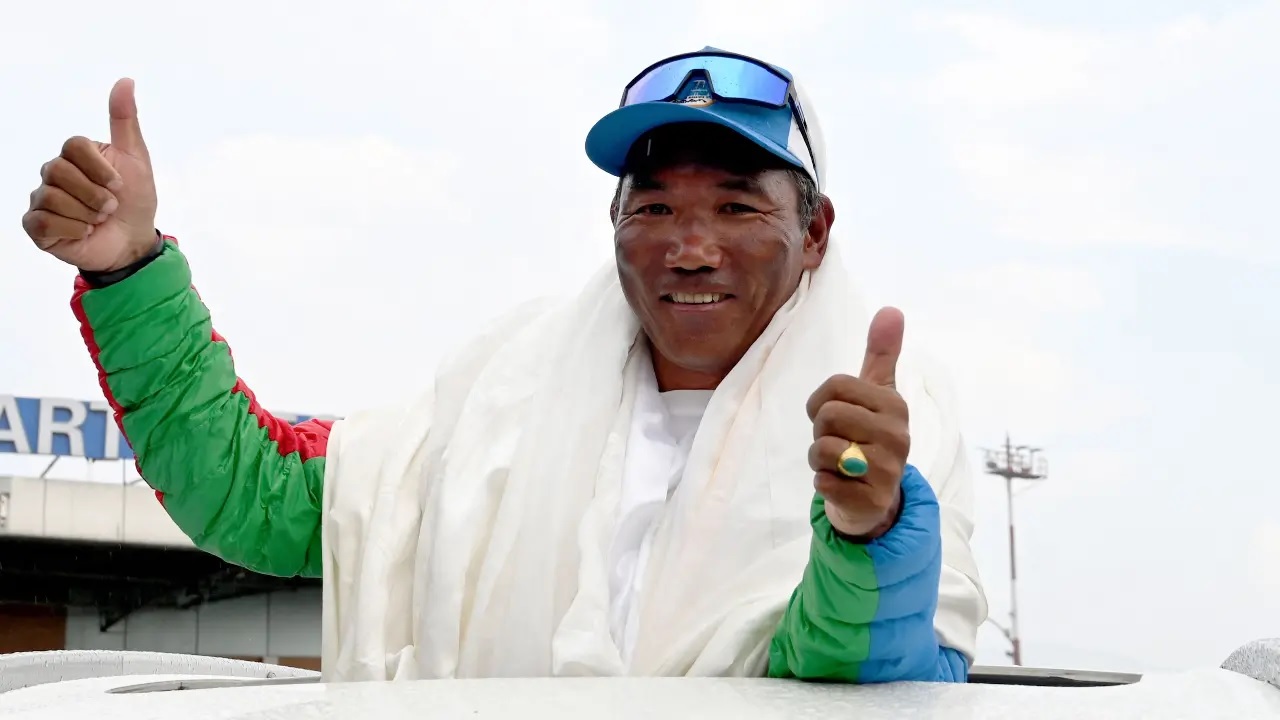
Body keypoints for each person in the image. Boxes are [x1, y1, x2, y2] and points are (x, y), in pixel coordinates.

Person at [21, 48, 987, 682]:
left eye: (737, 207)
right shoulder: (500, 400)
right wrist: (129, 270)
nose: (690, 248)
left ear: (814, 231)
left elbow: (871, 685)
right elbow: (254, 493)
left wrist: (870, 534)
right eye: (654, 208)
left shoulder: (888, 434)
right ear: (613, 225)